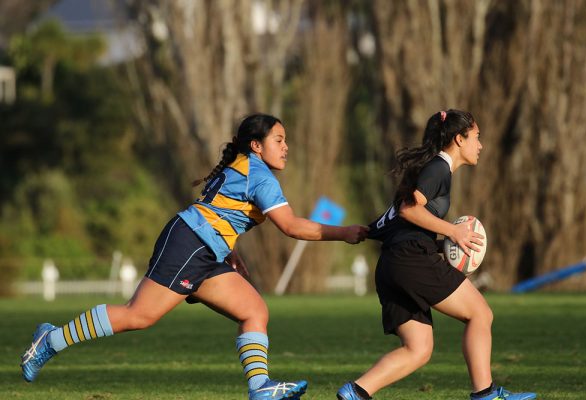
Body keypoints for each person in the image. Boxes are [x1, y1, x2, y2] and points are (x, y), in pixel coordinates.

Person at [21, 113, 369, 400]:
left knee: (253, 310)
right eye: (279, 140)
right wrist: (344, 233)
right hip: (190, 244)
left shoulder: (246, 165)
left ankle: (260, 388)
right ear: (256, 146)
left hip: (204, 248)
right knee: (138, 316)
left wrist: (228, 250)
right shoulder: (259, 176)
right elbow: (291, 226)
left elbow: (218, 208)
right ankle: (48, 340)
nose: (286, 147)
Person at [336, 110, 536, 400]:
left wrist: (442, 244)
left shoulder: (429, 169)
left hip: (392, 265)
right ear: (459, 139)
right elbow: (408, 209)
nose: (480, 145)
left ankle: (355, 392)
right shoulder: (439, 168)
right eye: (477, 138)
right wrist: (452, 233)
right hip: (411, 259)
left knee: (418, 349)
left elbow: (395, 219)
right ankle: (486, 394)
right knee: (480, 313)